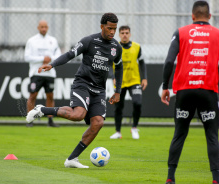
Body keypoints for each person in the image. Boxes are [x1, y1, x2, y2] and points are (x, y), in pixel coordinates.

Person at [26, 13, 123, 168]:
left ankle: (72, 159)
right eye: (109, 28)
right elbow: (70, 54)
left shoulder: (116, 47)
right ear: (102, 26)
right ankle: (42, 110)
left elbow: (119, 68)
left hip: (99, 90)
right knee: (78, 115)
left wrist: (118, 91)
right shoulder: (89, 41)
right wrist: (52, 64)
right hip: (82, 84)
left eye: (115, 29)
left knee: (98, 123)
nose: (112, 32)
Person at [161, 1, 219, 184]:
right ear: (210, 16)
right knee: (212, 136)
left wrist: (165, 86)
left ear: (192, 16)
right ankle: (216, 179)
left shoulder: (180, 32)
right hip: (208, 92)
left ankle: (170, 178)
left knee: (179, 133)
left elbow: (169, 62)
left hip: (185, 91)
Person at [110, 25, 148, 140]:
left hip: (134, 80)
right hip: (120, 82)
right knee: (118, 107)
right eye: (122, 33)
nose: (124, 35)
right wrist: (113, 76)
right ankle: (118, 132)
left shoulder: (137, 47)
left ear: (130, 34)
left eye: (127, 32)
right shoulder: (114, 47)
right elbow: (108, 63)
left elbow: (142, 62)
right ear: (119, 35)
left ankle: (134, 128)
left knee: (137, 103)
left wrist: (144, 78)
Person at [24, 20, 61, 127]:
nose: (44, 29)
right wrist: (42, 58)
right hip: (36, 73)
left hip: (50, 73)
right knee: (33, 95)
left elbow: (58, 55)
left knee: (50, 96)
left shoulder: (53, 40)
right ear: (38, 27)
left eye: (45, 27)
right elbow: (27, 57)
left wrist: (50, 59)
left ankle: (50, 120)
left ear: (47, 27)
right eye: (41, 27)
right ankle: (30, 120)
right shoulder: (32, 41)